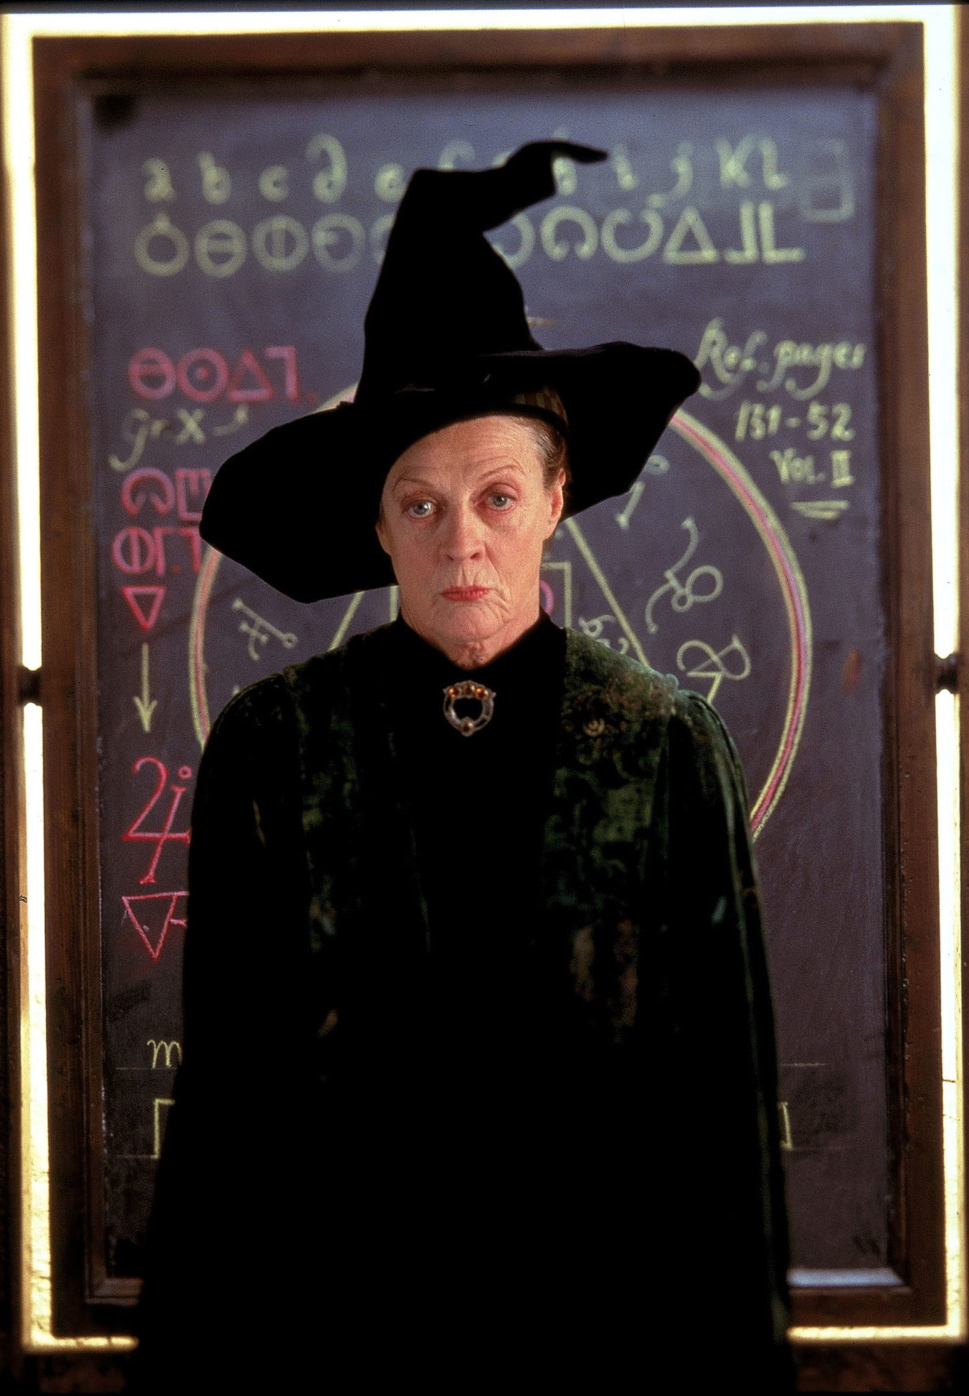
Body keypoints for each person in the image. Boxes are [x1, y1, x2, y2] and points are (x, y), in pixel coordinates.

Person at [130, 141, 792, 1392]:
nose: (462, 543)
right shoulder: (276, 747)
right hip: (338, 1348)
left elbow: (722, 1112)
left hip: (608, 1348)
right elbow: (226, 1112)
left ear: (557, 497)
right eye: (421, 504)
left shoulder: (659, 741)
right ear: (378, 526)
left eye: (495, 496)